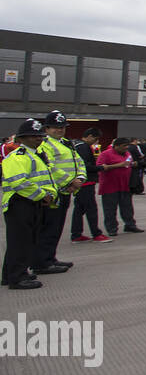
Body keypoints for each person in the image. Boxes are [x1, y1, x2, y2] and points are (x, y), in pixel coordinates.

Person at [2, 119, 58, 289]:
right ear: (21, 138)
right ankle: (17, 278)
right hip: (20, 203)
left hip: (31, 203)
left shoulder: (35, 155)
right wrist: (42, 195)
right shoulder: (18, 157)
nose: (37, 139)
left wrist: (48, 195)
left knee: (26, 241)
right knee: (20, 242)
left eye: (39, 136)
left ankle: (12, 274)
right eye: (32, 136)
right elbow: (19, 182)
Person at [34, 110, 85, 275]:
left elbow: (79, 162)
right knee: (48, 228)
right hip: (54, 193)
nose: (60, 130)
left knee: (56, 227)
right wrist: (69, 181)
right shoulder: (44, 144)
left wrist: (80, 179)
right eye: (55, 127)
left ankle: (50, 258)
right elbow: (50, 167)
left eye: (62, 127)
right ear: (46, 128)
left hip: (66, 191)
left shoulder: (66, 143)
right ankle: (42, 262)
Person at [69, 127, 110, 243]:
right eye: (95, 139)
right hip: (86, 182)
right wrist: (101, 168)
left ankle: (76, 234)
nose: (95, 142)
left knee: (79, 209)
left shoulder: (76, 145)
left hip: (81, 181)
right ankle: (96, 233)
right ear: (90, 136)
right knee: (91, 208)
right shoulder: (83, 147)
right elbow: (85, 166)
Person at [97, 137, 143, 235]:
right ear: (116, 146)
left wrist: (132, 164)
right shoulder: (105, 154)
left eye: (127, 146)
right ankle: (112, 229)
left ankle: (130, 225)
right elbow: (100, 167)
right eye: (124, 146)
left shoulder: (127, 153)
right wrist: (119, 165)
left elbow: (128, 163)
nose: (126, 148)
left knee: (127, 207)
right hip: (110, 186)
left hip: (125, 185)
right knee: (110, 209)